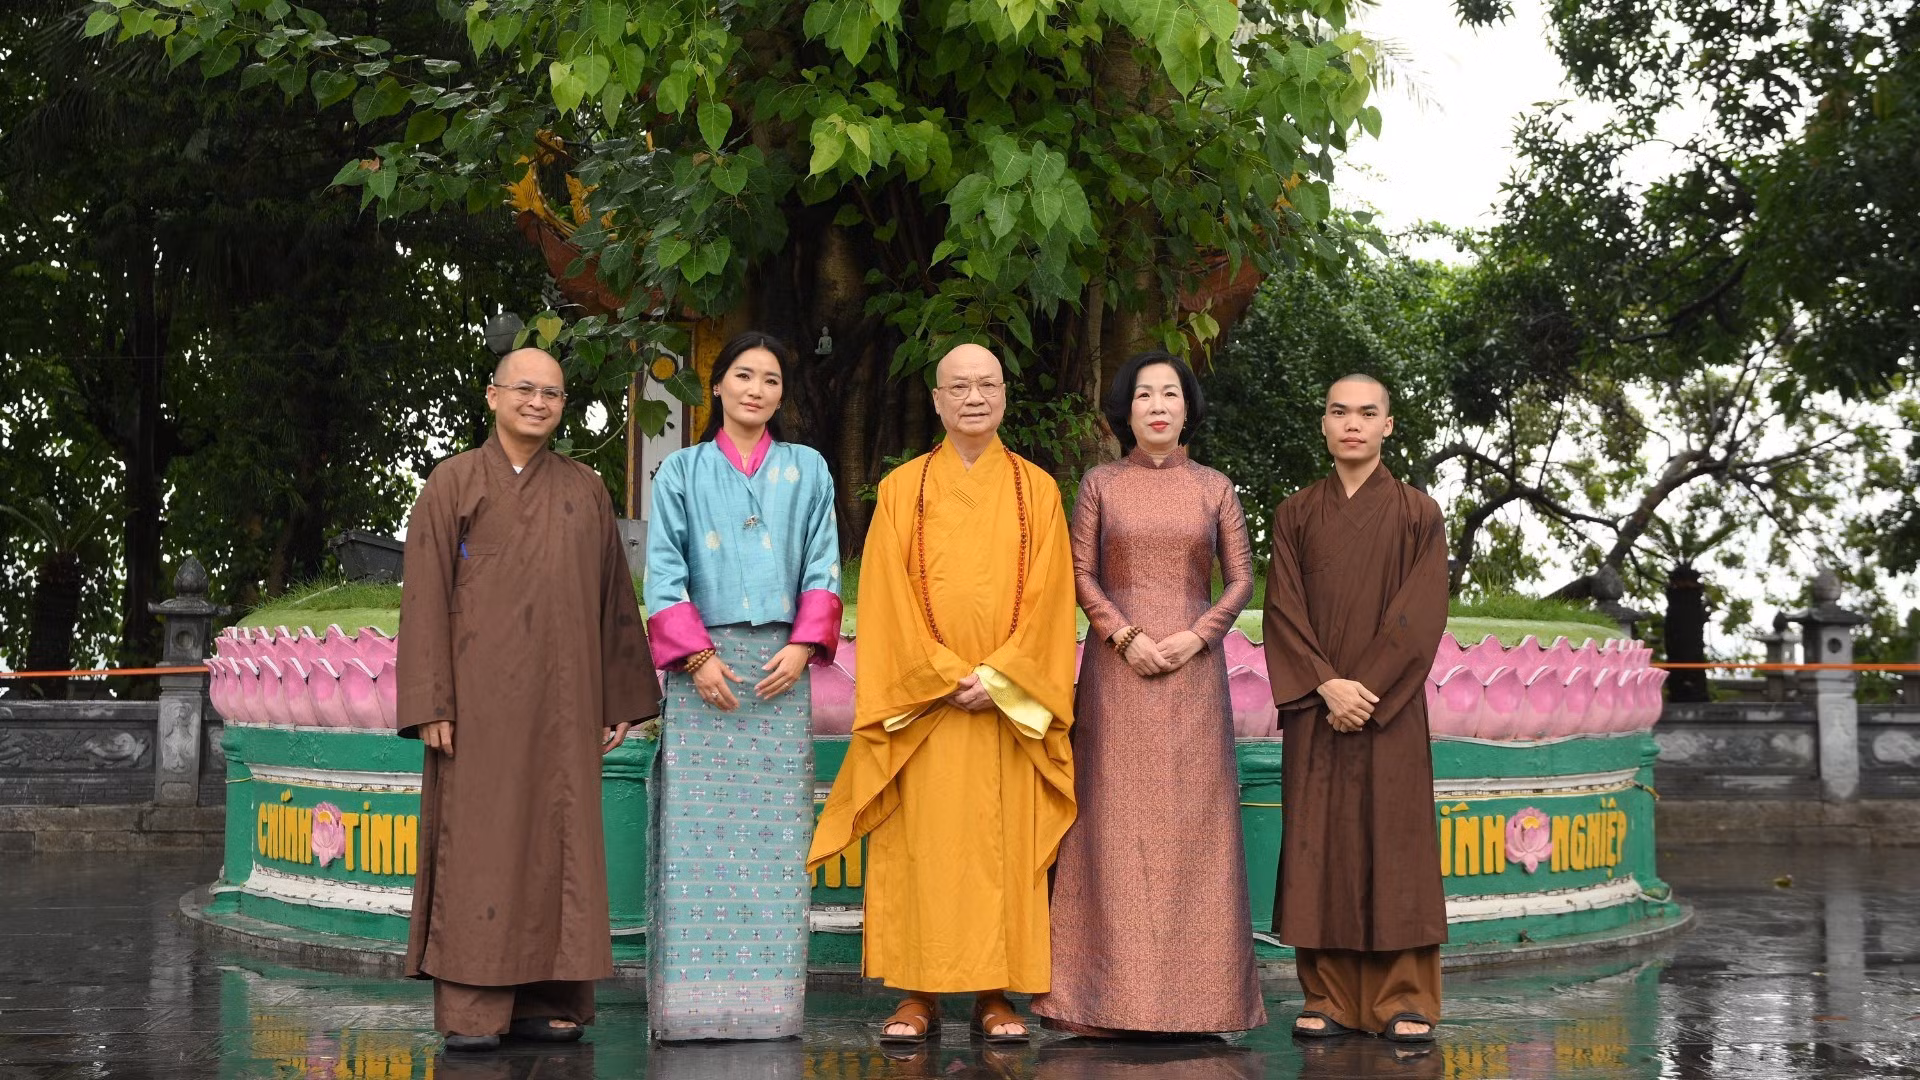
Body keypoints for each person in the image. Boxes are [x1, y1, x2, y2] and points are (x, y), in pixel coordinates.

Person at [807, 342, 1078, 1045]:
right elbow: (887, 600)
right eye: (958, 387)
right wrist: (937, 676)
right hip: (926, 710)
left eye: (987, 384)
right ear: (936, 400)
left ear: (1005, 396)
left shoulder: (1037, 490)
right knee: (920, 850)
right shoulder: (902, 490)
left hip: (1005, 710)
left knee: (1003, 851)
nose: (974, 398)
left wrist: (1000, 679)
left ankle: (995, 994)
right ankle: (916, 993)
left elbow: (1052, 599)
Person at [396, 347, 661, 1052]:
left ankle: (550, 998)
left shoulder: (585, 489)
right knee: (481, 846)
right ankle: (475, 1009)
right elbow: (423, 601)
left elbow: (613, 600)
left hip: (565, 702)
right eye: (525, 389)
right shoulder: (451, 485)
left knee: (559, 846)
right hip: (477, 709)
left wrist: (619, 696)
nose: (538, 402)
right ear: (492, 396)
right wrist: (431, 703)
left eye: (552, 393)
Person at [1030, 350, 1265, 1037]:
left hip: (1194, 676)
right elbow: (1079, 573)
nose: (1157, 405)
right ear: (1125, 410)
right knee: (1111, 825)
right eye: (1143, 396)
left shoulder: (1215, 487)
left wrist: (1199, 636)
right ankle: (1094, 1002)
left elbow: (1242, 580)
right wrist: (1124, 636)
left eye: (1170, 394)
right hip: (1116, 675)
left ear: (1188, 406)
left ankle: (1203, 1005)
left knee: (1196, 831)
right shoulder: (1101, 483)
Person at [643, 331, 842, 1041]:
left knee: (776, 841)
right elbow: (663, 571)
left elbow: (823, 561)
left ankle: (769, 1011)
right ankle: (693, 1011)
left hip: (780, 672)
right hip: (706, 672)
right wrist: (696, 661)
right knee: (698, 842)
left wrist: (802, 646)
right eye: (743, 376)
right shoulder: (682, 472)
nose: (757, 390)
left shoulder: (808, 470)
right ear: (717, 385)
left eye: (771, 380)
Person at [1262, 373, 1449, 1043]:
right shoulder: (1295, 514)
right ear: (1324, 423)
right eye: (1340, 411)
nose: (1353, 424)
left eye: (1367, 413)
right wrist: (1325, 686)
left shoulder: (1417, 513)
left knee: (1395, 844)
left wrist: (1363, 690)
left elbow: (1420, 612)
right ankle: (1330, 997)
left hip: (1388, 710)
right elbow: (1281, 610)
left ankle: (1405, 999)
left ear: (1387, 426)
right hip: (1321, 709)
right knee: (1323, 845)